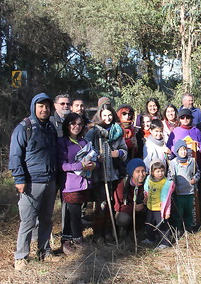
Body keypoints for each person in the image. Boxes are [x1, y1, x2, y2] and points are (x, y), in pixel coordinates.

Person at [9, 93, 58, 270]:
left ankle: (44, 251)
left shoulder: (51, 128)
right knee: (28, 221)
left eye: (47, 106)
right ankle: (21, 256)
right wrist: (19, 179)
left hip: (50, 181)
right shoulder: (24, 128)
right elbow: (15, 155)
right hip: (31, 182)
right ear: (34, 107)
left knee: (46, 219)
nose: (44, 109)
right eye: (40, 106)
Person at [85, 103, 128, 243]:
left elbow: (124, 149)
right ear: (100, 116)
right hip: (99, 174)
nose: (107, 118)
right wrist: (95, 156)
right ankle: (98, 233)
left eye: (110, 115)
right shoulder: (94, 132)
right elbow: (85, 149)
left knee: (110, 203)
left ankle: (109, 231)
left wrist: (119, 152)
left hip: (113, 173)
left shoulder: (117, 130)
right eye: (104, 115)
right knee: (101, 204)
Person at [57, 112, 95, 254]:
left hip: (84, 183)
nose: (76, 127)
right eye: (73, 124)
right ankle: (70, 240)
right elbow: (62, 165)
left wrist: (93, 165)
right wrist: (79, 166)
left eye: (79, 124)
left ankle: (75, 238)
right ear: (67, 125)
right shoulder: (62, 142)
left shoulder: (84, 142)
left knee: (77, 212)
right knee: (72, 213)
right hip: (69, 184)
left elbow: (92, 159)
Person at [168, 139, 200, 233]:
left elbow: (197, 172)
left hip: (189, 191)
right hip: (178, 193)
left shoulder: (192, 161)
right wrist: (172, 187)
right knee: (178, 212)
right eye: (181, 150)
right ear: (177, 151)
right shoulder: (173, 163)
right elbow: (170, 176)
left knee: (188, 211)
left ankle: (188, 227)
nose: (183, 152)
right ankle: (178, 229)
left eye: (185, 149)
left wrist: (195, 179)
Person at [142, 160, 175, 249]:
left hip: (160, 209)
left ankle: (165, 242)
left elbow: (167, 200)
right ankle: (151, 238)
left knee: (162, 225)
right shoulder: (149, 180)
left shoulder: (165, 183)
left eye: (162, 171)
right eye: (158, 171)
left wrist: (167, 212)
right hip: (150, 206)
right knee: (149, 223)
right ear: (152, 172)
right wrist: (145, 198)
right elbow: (146, 190)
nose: (160, 173)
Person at [114, 158, 147, 239]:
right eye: (138, 171)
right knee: (123, 219)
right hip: (127, 211)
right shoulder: (123, 185)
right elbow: (118, 206)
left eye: (143, 171)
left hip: (144, 209)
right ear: (132, 173)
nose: (141, 174)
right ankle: (124, 232)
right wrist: (133, 208)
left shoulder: (147, 183)